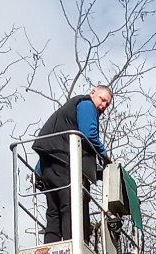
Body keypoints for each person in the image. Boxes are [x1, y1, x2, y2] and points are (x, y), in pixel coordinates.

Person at [34, 86, 113, 242]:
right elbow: (89, 133)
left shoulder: (69, 112)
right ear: (92, 93)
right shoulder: (86, 105)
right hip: (65, 165)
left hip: (51, 166)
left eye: (107, 104)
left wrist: (39, 171)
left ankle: (51, 249)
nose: (103, 105)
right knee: (71, 207)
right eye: (102, 99)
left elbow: (54, 140)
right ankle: (74, 246)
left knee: (53, 212)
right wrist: (105, 157)